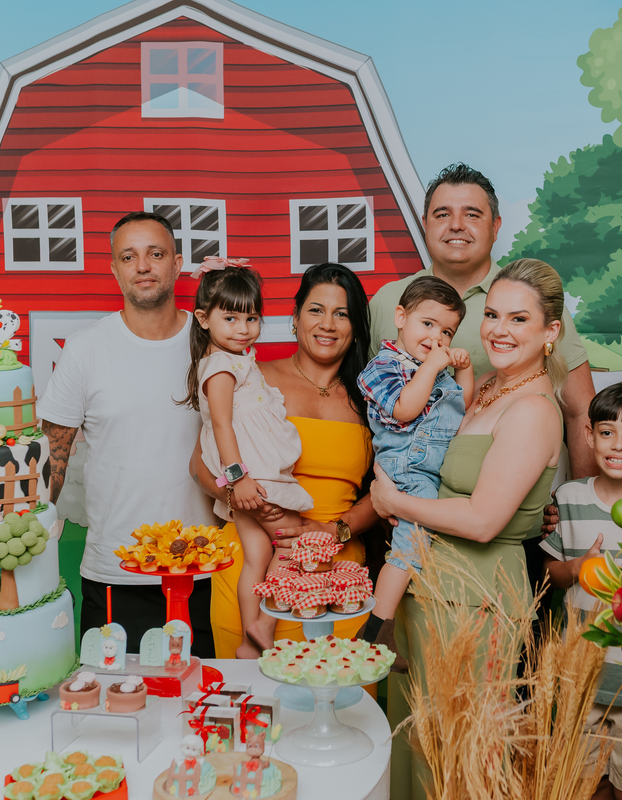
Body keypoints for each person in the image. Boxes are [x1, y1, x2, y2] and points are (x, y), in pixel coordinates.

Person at [370, 258, 568, 799]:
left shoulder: (531, 409)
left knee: (458, 760)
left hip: (475, 601)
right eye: (493, 314)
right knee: (416, 744)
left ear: (551, 331)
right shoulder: (485, 389)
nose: (499, 330)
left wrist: (395, 499)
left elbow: (483, 521)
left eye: (519, 319)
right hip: (428, 587)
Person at [39, 211, 216, 657]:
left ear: (177, 264)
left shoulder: (214, 343)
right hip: (115, 569)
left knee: (202, 710)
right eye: (129, 256)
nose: (143, 266)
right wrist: (27, 532)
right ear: (114, 268)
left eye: (155, 254)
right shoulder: (85, 350)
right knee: (117, 710)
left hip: (206, 567)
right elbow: (51, 459)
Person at [193, 262, 382, 655]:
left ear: (355, 327)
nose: (327, 324)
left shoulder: (374, 400)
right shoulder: (251, 379)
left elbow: (387, 492)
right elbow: (201, 463)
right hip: (253, 559)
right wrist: (257, 507)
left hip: (334, 575)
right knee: (252, 700)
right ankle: (254, 628)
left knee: (339, 694)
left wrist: (335, 532)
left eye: (341, 313)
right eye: (316, 310)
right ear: (294, 319)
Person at [367, 163, 598, 479]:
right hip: (410, 488)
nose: (457, 225)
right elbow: (368, 410)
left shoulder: (534, 300)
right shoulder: (387, 301)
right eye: (442, 214)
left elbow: (581, 411)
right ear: (424, 224)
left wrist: (576, 502)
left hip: (515, 494)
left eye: (472, 214)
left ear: (496, 225)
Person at [179, 256, 315, 658]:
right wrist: (238, 479)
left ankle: (248, 642)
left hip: (246, 482)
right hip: (255, 478)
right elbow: (221, 425)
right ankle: (264, 625)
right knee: (291, 546)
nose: (243, 329)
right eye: (231, 319)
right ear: (204, 319)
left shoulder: (235, 361)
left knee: (257, 556)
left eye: (251, 319)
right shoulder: (220, 367)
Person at [542, 382, 622, 800]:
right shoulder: (569, 498)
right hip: (580, 680)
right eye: (607, 431)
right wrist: (578, 567)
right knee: (585, 787)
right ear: (589, 435)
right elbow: (549, 574)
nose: (619, 445)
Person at [356, 276, 474, 655]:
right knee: (409, 549)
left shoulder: (435, 367)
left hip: (432, 470)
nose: (436, 337)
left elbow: (463, 406)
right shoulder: (381, 367)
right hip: (408, 467)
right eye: (427, 324)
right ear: (401, 317)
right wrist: (436, 364)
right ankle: (378, 624)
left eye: (447, 331)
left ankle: (387, 622)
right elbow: (405, 408)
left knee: (427, 545)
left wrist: (464, 369)